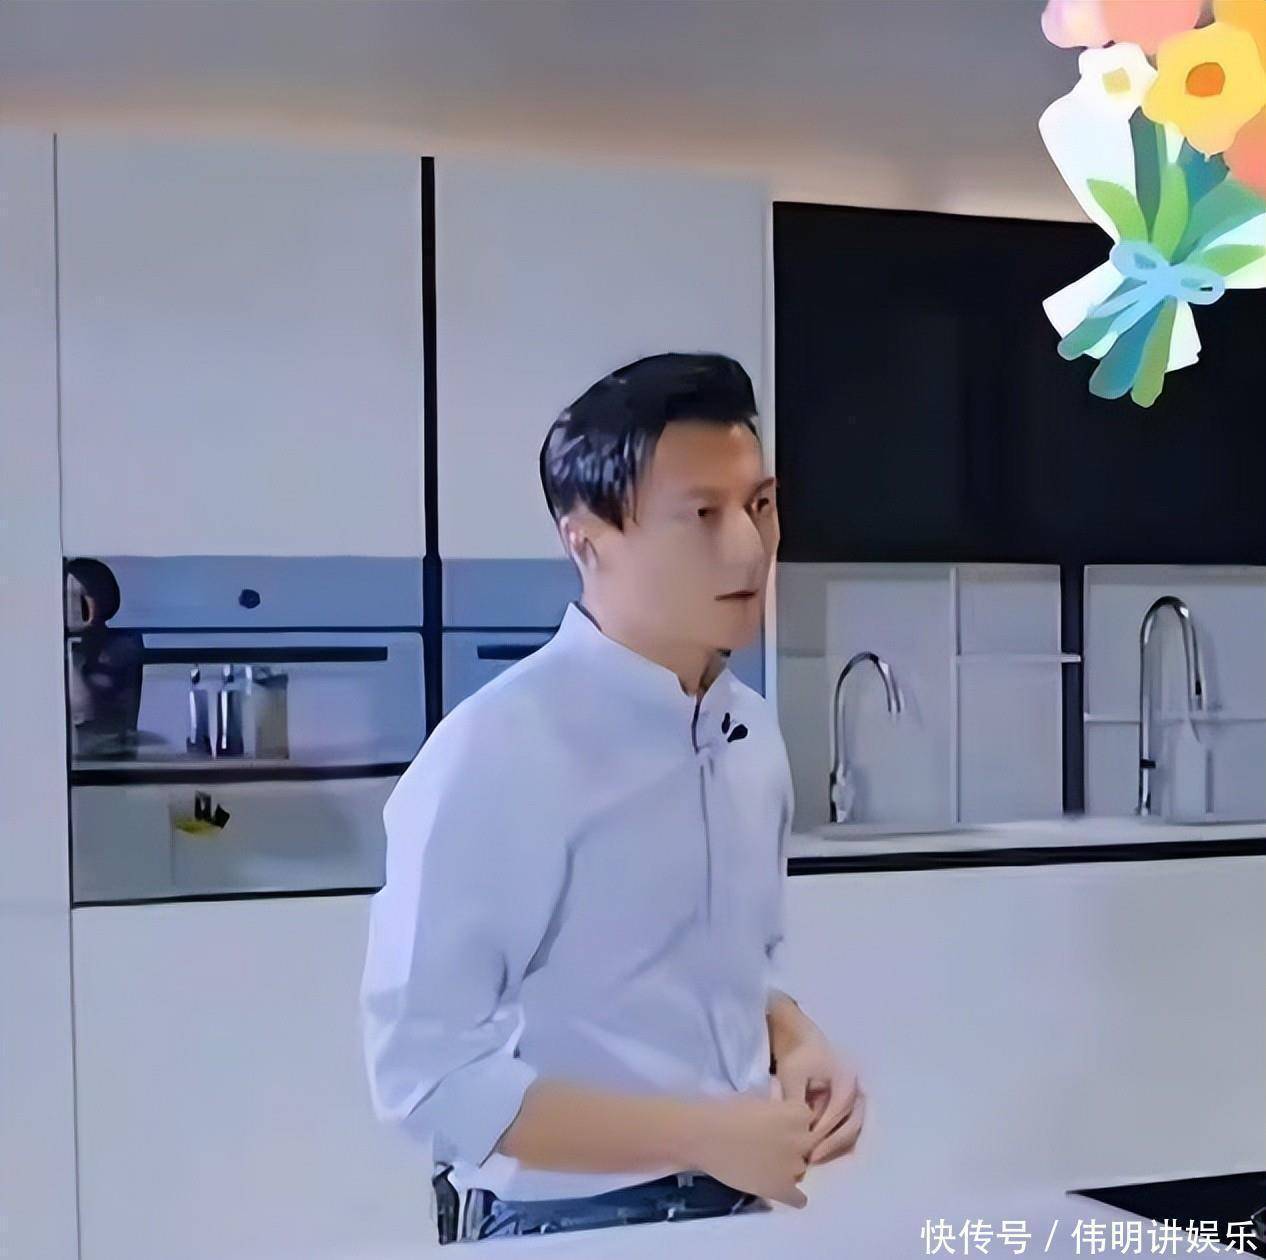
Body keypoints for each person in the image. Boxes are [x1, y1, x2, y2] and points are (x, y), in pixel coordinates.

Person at [360, 352, 866, 1244]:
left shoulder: (749, 734)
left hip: (741, 1213)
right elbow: (428, 1081)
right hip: (566, 1226)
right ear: (586, 539)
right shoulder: (497, 752)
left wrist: (793, 1038)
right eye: (701, 515)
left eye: (759, 506)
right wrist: (701, 1134)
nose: (749, 549)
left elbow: (719, 970)